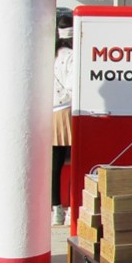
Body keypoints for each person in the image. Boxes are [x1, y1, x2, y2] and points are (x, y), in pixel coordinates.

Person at [52, 13, 75, 225]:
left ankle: (56, 210)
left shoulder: (52, 53)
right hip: (68, 110)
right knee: (76, 162)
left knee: (55, 165)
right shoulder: (71, 55)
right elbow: (72, 86)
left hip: (51, 111)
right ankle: (71, 210)